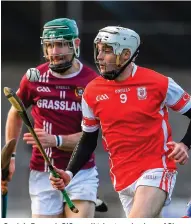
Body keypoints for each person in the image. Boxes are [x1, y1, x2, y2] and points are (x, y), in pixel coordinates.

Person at [50, 26, 191, 218]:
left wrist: (185, 144)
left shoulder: (158, 83)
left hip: (157, 168)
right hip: (122, 177)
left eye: (107, 51)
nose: (99, 56)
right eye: (98, 50)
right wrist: (69, 173)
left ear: (126, 54)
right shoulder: (92, 92)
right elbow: (88, 139)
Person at [4, 18, 108, 218]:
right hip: (43, 172)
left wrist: (56, 140)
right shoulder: (34, 78)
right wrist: (11, 156)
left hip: (80, 172)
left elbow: (94, 136)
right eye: (50, 45)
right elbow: (15, 112)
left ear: (75, 44)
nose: (54, 52)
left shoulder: (93, 82)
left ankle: (89, 199)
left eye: (60, 44)